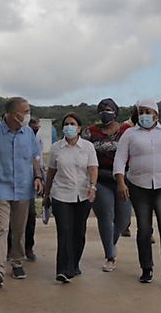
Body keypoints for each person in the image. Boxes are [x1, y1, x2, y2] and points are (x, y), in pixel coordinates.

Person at [113, 99, 161, 289]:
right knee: (144, 229)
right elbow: (120, 159)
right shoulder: (129, 134)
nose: (144, 116)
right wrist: (121, 182)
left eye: (148, 112)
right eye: (141, 112)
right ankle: (146, 267)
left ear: (156, 114)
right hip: (139, 185)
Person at [0, 97, 44, 289]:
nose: (28, 115)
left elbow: (34, 158)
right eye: (25, 111)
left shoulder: (28, 133)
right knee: (1, 229)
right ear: (13, 114)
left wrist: (38, 177)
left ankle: (17, 261)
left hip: (23, 189)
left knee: (18, 230)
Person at [42, 113, 98, 283]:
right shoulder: (56, 148)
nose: (69, 127)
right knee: (64, 231)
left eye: (72, 124)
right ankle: (63, 269)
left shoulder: (88, 147)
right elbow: (51, 172)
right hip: (61, 194)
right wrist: (46, 193)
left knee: (78, 232)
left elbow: (93, 168)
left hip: (82, 194)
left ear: (79, 128)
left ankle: (74, 264)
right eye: (66, 124)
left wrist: (92, 186)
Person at [82, 98, 133, 272]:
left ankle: (111, 242)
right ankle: (110, 256)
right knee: (106, 216)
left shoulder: (127, 131)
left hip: (123, 179)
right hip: (100, 179)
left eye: (109, 109)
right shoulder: (91, 132)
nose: (105, 112)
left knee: (124, 218)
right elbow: (84, 153)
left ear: (116, 112)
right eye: (102, 109)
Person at [8, 118, 45, 261]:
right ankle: (11, 247)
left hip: (29, 182)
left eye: (37, 127)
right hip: (11, 183)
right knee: (12, 219)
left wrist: (38, 177)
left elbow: (35, 158)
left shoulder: (31, 136)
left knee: (30, 217)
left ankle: (28, 247)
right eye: (34, 126)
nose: (36, 128)